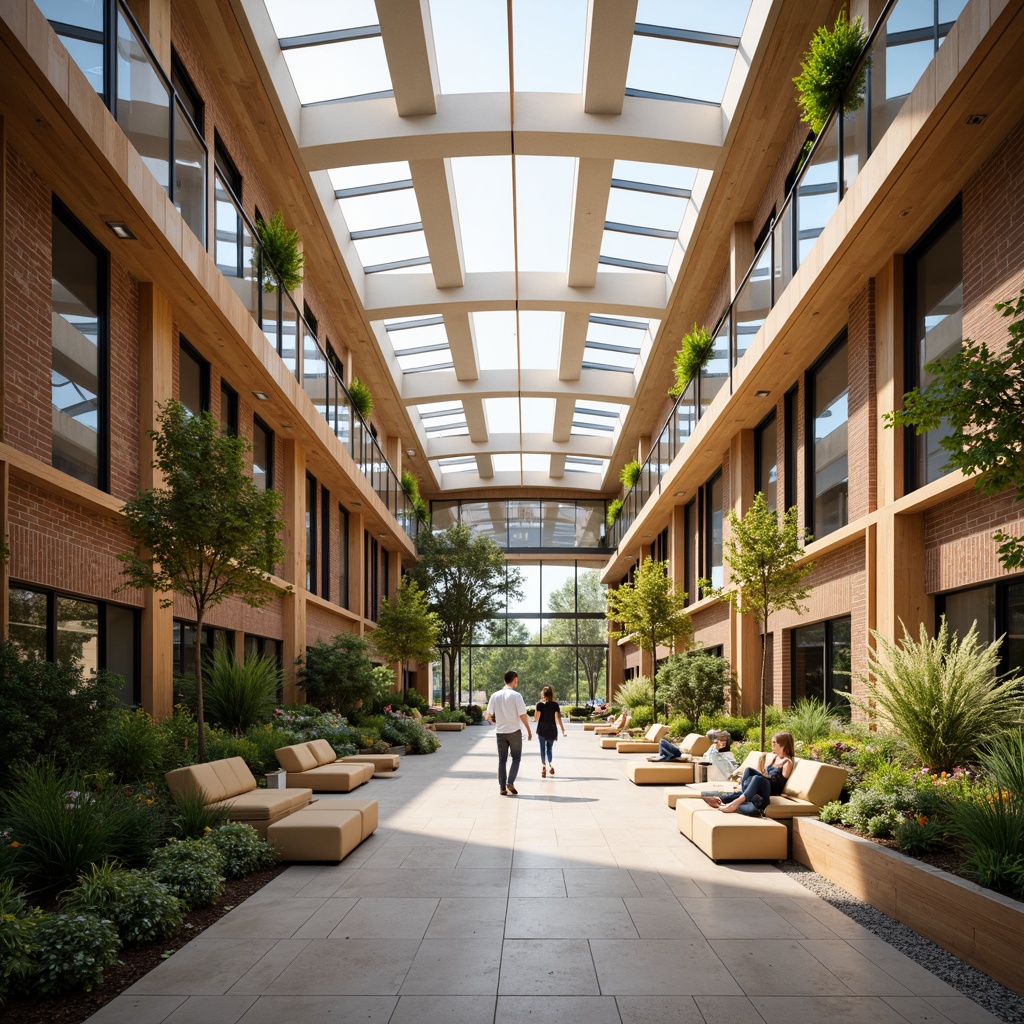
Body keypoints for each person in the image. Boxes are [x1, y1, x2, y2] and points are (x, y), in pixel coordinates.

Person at [702, 730, 795, 815]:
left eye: (774, 743)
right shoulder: (775, 758)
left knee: (757, 778)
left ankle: (734, 803)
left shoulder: (787, 762)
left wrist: (765, 777)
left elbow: (779, 785)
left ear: (782, 745)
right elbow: (766, 774)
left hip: (772, 790)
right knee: (749, 770)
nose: (772, 745)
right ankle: (720, 799)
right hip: (765, 784)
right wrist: (763, 773)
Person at [485, 670, 533, 795]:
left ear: (504, 681)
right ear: (515, 680)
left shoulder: (495, 695)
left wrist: (494, 723)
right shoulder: (517, 696)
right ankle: (510, 782)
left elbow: (488, 715)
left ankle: (502, 788)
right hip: (514, 732)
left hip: (500, 732)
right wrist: (528, 730)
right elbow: (522, 715)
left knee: (502, 760)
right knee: (516, 758)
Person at [534, 685, 567, 777]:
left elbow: (536, 719)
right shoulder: (555, 705)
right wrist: (563, 729)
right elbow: (558, 718)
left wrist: (536, 711)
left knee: (542, 748)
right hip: (552, 730)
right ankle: (550, 764)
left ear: (543, 694)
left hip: (541, 730)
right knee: (549, 749)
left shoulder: (539, 705)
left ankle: (543, 766)